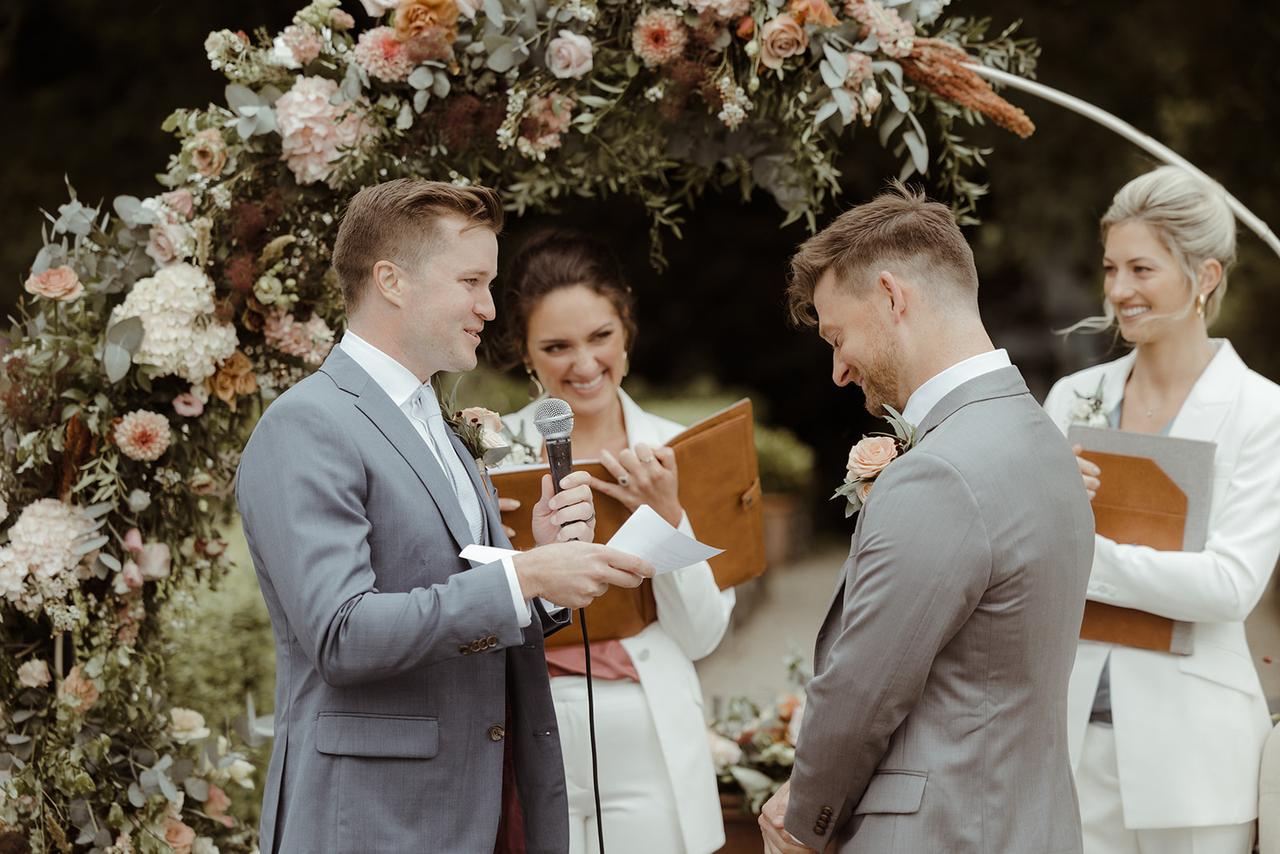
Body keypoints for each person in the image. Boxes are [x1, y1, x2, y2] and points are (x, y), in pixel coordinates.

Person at [235, 180, 654, 854]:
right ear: (392, 281)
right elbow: (342, 634)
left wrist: (536, 567)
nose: (489, 307)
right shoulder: (307, 425)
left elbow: (459, 593)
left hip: (482, 804)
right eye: (471, 281)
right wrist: (524, 579)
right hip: (374, 821)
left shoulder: (435, 416)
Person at [759, 183, 1095, 853]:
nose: (837, 369)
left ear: (891, 297)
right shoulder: (1042, 440)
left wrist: (802, 822)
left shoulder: (938, 471)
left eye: (837, 335)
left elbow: (862, 691)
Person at [1043, 165, 1280, 854]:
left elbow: (1230, 585)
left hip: (1199, 767)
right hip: (1069, 753)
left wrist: (1084, 552)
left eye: (1141, 269)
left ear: (1204, 276)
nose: (1118, 290)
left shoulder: (1264, 412)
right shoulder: (1071, 399)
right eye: (1111, 267)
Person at [491, 229, 735, 854]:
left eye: (600, 337)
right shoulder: (485, 463)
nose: (584, 364)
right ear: (524, 352)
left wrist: (669, 517)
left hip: (647, 735)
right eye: (556, 346)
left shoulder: (679, 449)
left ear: (626, 327)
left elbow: (703, 635)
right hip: (526, 733)